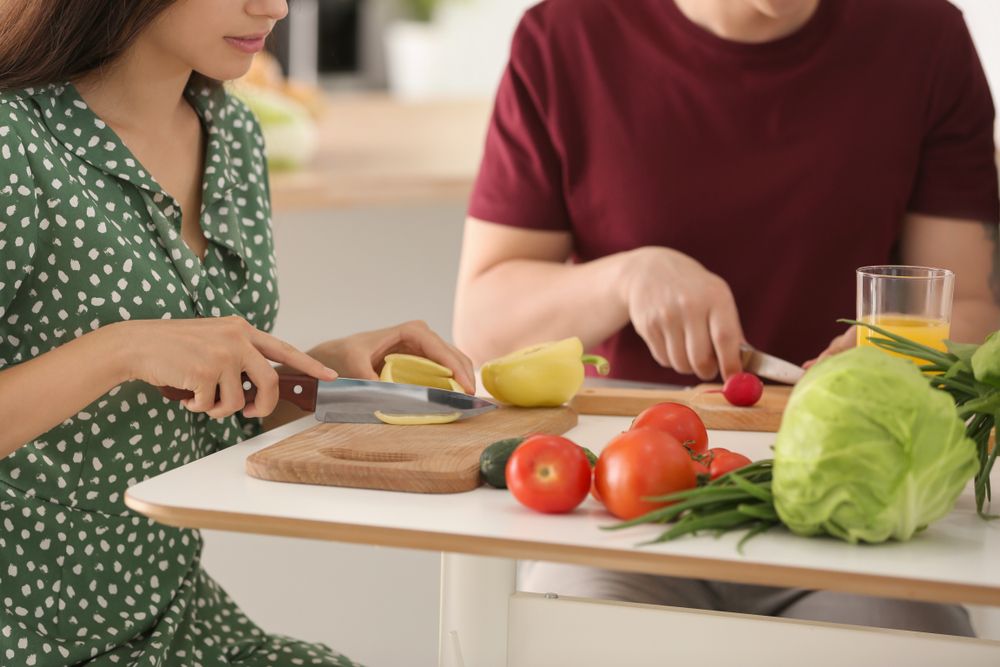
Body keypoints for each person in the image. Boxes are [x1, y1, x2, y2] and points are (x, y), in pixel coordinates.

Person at [454, 0, 999, 636]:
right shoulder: (563, 37)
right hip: (634, 502)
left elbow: (973, 308)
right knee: (579, 629)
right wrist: (625, 279)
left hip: (858, 505)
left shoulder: (925, 35)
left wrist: (897, 353)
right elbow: (482, 326)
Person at [0, 1, 474, 664]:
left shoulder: (234, 137)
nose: (274, 7)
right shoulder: (13, 141)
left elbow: (203, 414)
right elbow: (137, 359)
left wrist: (311, 375)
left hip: (171, 622)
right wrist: (123, 348)